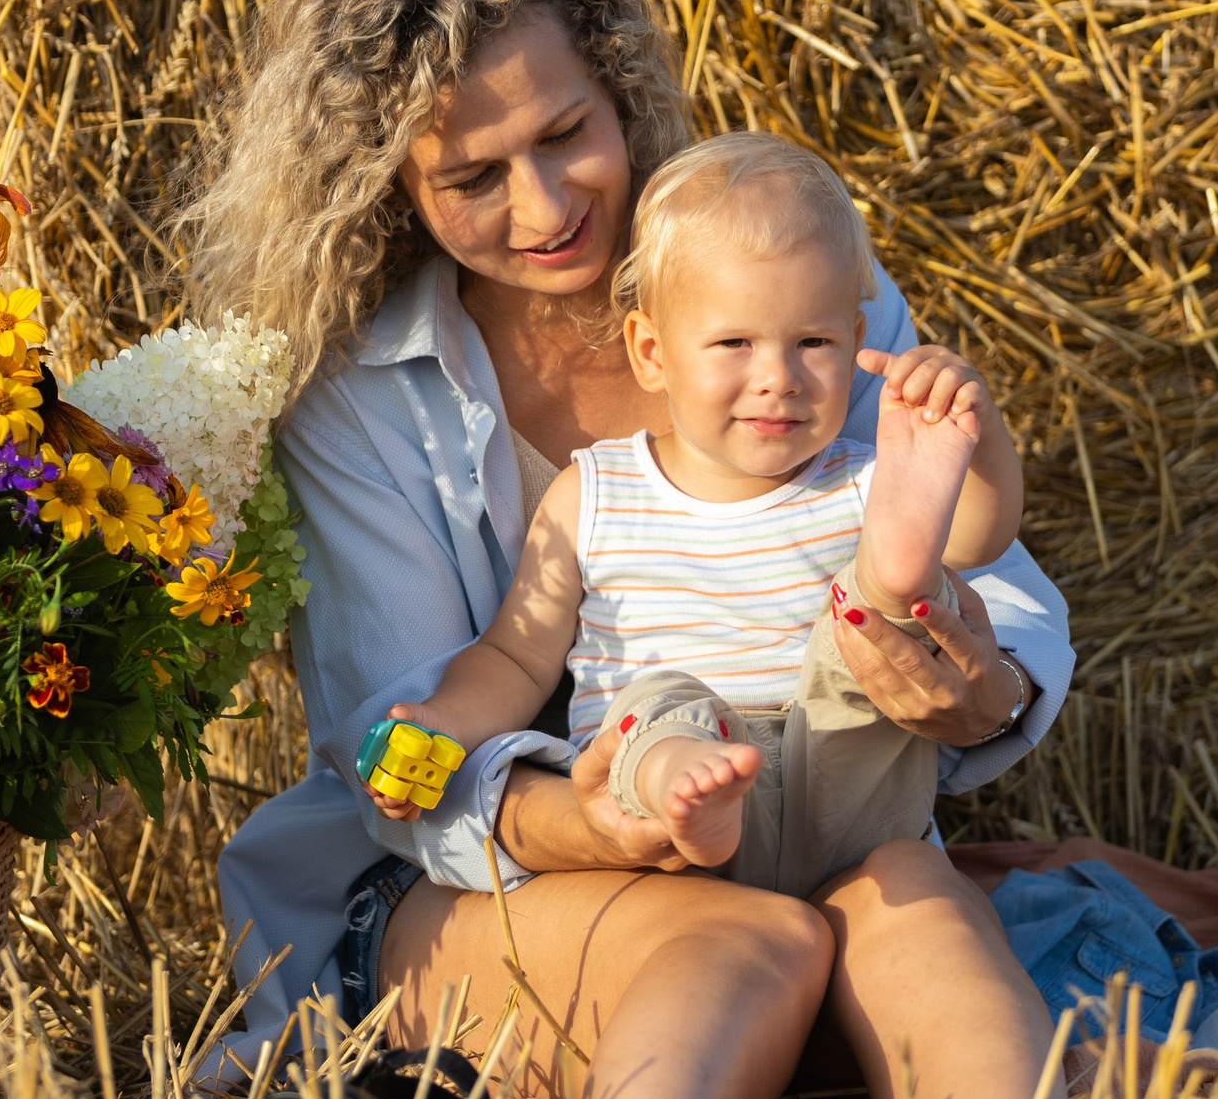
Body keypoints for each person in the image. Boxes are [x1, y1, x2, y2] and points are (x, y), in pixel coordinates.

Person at [187, 0, 1075, 1099]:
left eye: (564, 134)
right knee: (745, 938)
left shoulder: (787, 282)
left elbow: (1004, 576)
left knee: (916, 912)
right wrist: (585, 820)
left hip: (815, 820)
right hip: (486, 884)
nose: (544, 208)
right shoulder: (361, 406)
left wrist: (964, 682)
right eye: (474, 176)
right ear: (392, 187)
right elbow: (405, 750)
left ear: (620, 95)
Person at [367, 132, 1024, 895]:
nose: (777, 378)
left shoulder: (867, 481)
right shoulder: (597, 493)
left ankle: (888, 583)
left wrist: (973, 437)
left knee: (870, 642)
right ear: (651, 351)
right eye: (734, 342)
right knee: (662, 706)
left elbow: (982, 534)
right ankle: (692, 788)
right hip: (674, 812)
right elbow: (516, 659)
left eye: (813, 342)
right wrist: (443, 723)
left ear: (854, 343)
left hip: (845, 802)